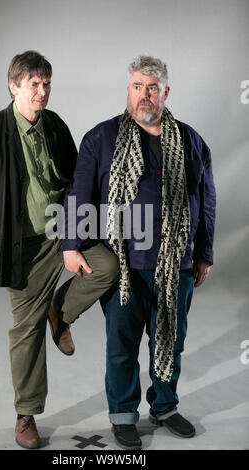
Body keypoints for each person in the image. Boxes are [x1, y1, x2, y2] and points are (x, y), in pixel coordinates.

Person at [0, 50, 119, 449]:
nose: (42, 92)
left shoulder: (55, 126)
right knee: (26, 330)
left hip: (61, 232)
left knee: (106, 267)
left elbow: (75, 181)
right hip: (21, 248)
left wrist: (76, 234)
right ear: (14, 86)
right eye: (34, 84)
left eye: (47, 84)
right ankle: (26, 414)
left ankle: (59, 311)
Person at [62, 55, 216, 450]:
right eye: (137, 87)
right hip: (124, 263)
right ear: (127, 90)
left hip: (176, 263)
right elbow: (80, 193)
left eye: (152, 88)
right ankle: (123, 415)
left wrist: (205, 253)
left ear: (165, 92)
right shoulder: (101, 138)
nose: (144, 95)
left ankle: (164, 406)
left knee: (170, 339)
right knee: (123, 344)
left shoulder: (191, 141)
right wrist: (70, 245)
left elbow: (206, 198)